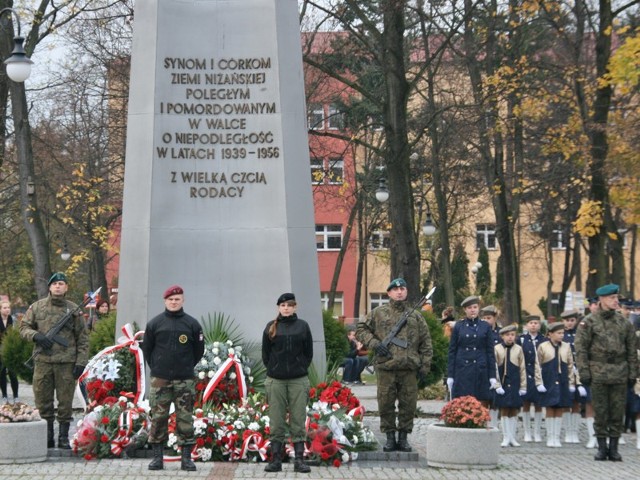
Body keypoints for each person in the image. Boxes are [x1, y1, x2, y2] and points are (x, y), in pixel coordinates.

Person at [357, 278, 432, 453]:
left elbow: (426, 342)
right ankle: (390, 437)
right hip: (386, 367)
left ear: (406, 292)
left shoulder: (416, 316)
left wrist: (425, 366)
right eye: (395, 289)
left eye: (402, 289)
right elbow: (361, 330)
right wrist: (375, 344)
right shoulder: (378, 313)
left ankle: (404, 438)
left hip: (408, 367)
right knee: (386, 403)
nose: (399, 292)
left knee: (408, 405)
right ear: (389, 292)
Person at [19, 272, 89, 449]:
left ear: (66, 288)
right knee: (43, 402)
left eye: (61, 283)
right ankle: (47, 437)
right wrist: (37, 336)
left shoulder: (74, 310)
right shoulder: (37, 307)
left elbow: (82, 338)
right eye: (55, 283)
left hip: (66, 364)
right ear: (49, 287)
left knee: (65, 402)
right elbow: (23, 327)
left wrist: (81, 363)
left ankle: (63, 437)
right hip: (43, 362)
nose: (58, 286)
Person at [142, 285, 205, 471]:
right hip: (160, 379)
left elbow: (198, 351)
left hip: (184, 380)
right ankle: (157, 459)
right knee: (158, 417)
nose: (174, 302)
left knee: (185, 418)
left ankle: (186, 459)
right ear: (165, 301)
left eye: (177, 299)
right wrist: (158, 367)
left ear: (183, 301)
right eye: (171, 299)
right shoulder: (155, 324)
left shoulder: (192, 324)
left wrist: (185, 366)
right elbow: (147, 349)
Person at [574, 283, 639, 461]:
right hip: (598, 373)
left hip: (619, 372)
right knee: (601, 411)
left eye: (616, 298)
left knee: (618, 411)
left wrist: (633, 373)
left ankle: (615, 448)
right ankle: (602, 448)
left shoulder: (624, 322)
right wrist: (584, 372)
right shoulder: (589, 322)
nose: (615, 301)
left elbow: (632, 350)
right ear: (601, 300)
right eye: (612, 298)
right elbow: (581, 349)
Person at [262, 293, 313, 473]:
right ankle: (276, 459)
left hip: (298, 380)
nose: (286, 308)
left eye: (289, 305)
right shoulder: (271, 327)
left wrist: (298, 367)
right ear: (279, 307)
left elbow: (308, 353)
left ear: (295, 307)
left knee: (298, 419)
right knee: (276, 420)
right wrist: (275, 368)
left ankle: (299, 460)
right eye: (283, 305)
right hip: (276, 381)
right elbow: (266, 355)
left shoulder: (303, 326)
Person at [447, 296, 497, 407]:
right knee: (462, 404)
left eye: (475, 307)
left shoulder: (485, 327)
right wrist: (450, 375)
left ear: (479, 308)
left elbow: (490, 352)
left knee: (481, 404)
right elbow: (452, 352)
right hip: (462, 370)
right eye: (469, 308)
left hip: (480, 370)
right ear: (465, 310)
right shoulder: (459, 326)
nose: (472, 310)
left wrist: (492, 376)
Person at [537, 321, 576, 448]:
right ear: (550, 334)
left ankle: (556, 436)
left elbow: (570, 365)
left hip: (563, 379)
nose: (561, 335)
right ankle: (550, 436)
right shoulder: (543, 346)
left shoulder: (566, 346)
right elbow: (537, 366)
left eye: (563, 333)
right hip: (548, 379)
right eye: (558, 333)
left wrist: (571, 382)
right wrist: (539, 382)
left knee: (560, 407)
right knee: (550, 407)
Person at [561, 309, 592, 446]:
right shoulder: (561, 335)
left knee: (577, 403)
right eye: (567, 320)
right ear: (563, 321)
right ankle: (568, 431)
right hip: (566, 372)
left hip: (579, 372)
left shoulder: (580, 334)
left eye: (572, 320)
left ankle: (575, 431)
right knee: (567, 402)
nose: (569, 323)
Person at [493, 325, 526, 447]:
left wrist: (523, 386)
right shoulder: (497, 349)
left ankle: (512, 436)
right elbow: (494, 368)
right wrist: (497, 385)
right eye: (507, 335)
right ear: (502, 336)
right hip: (503, 383)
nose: (510, 337)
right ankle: (506, 436)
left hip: (515, 382)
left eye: (512, 335)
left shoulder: (518, 349)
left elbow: (523, 368)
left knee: (514, 409)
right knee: (504, 409)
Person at [518, 315, 547, 442]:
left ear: (539, 325)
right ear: (527, 325)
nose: (533, 325)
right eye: (531, 323)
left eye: (536, 323)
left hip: (539, 375)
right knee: (525, 403)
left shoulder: (544, 339)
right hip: (526, 374)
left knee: (539, 404)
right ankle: (527, 432)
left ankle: (537, 432)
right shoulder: (522, 339)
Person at [480, 305, 501, 428]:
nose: (487, 321)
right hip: (484, 369)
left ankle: (494, 425)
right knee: (484, 398)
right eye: (484, 318)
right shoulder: (480, 332)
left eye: (489, 318)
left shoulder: (500, 333)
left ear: (494, 318)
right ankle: (483, 424)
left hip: (498, 370)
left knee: (495, 400)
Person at [0, 301, 20, 403]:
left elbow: (16, 333)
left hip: (10, 349)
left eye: (8, 307)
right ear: (0, 309)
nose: (7, 309)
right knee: (2, 373)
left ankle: (16, 396)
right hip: (0, 350)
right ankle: (4, 395)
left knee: (13, 373)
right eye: (4, 308)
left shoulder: (12, 319)